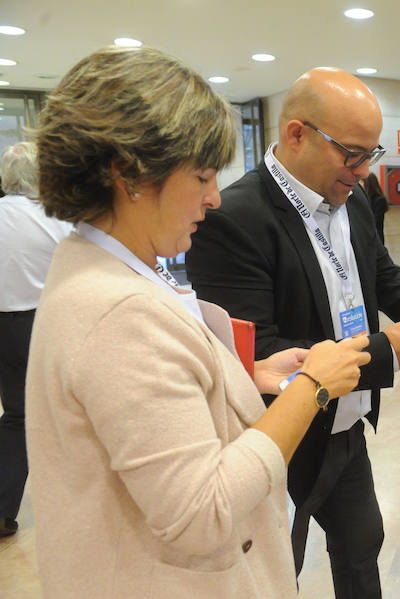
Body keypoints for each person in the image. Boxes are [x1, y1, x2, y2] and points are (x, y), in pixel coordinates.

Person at [26, 46, 371, 599]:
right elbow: (200, 513)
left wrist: (247, 374)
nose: (213, 198)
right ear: (127, 173)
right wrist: (311, 387)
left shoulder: (97, 265)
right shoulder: (120, 311)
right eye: (203, 175)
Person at [185, 67, 400, 598]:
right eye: (352, 153)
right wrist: (383, 356)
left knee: (361, 542)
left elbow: (377, 271)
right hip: (277, 434)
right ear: (297, 134)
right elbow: (254, 353)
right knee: (275, 567)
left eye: (372, 154)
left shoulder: (354, 196)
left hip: (345, 421)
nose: (364, 170)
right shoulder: (234, 217)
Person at [0, 141, 72, 537]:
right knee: (66, 415)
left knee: (17, 417)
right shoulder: (57, 218)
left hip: (4, 326)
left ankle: (2, 507)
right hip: (45, 325)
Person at [362, 172, 388, 243]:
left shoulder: (380, 200)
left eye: (363, 182)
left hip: (376, 238)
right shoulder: (367, 198)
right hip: (367, 237)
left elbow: (375, 221)